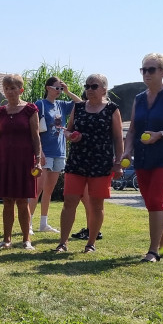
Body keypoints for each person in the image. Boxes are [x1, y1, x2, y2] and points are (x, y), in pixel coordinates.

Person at [120, 53, 163, 263]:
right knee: (151, 202)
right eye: (144, 69)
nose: (146, 73)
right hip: (143, 156)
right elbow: (133, 129)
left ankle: (153, 251)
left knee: (155, 200)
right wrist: (127, 150)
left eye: (151, 69)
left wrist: (160, 134)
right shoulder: (139, 98)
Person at [55, 74, 123, 253]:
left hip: (101, 163)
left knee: (96, 205)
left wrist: (118, 163)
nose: (89, 90)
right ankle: (62, 243)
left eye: (94, 86)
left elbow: (118, 138)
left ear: (104, 89)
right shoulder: (78, 107)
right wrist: (70, 135)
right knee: (69, 201)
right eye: (87, 86)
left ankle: (91, 243)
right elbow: (68, 130)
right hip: (77, 161)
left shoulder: (112, 109)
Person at [0, 74, 41, 249]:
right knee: (7, 201)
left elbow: (36, 137)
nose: (9, 91)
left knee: (22, 201)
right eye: (6, 88)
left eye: (13, 88)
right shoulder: (0, 112)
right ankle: (6, 240)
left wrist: (38, 161)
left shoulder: (30, 110)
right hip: (4, 161)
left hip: (24, 162)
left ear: (21, 90)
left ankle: (26, 240)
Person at [29, 76, 82, 234]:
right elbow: (34, 130)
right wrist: (40, 152)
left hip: (59, 152)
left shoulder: (61, 105)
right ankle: (28, 223)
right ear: (48, 88)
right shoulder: (40, 104)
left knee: (49, 190)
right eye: (57, 88)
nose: (59, 91)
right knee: (38, 189)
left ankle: (43, 223)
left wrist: (68, 91)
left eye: (61, 88)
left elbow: (80, 103)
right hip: (45, 152)